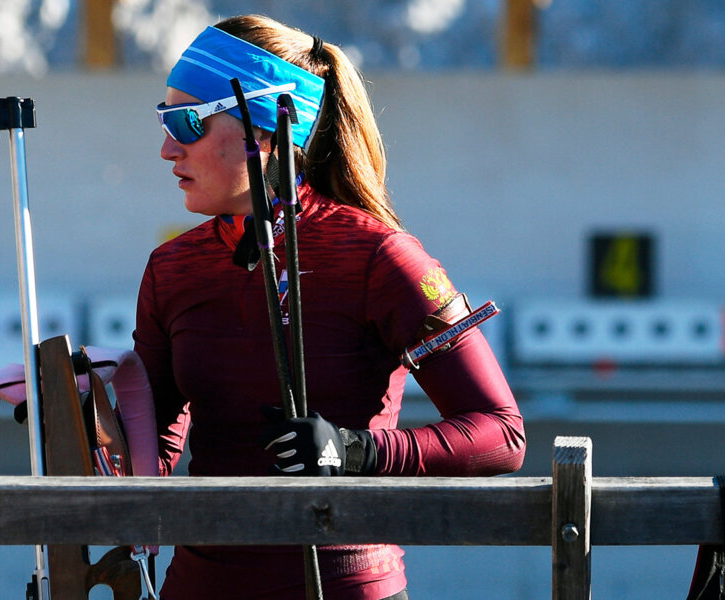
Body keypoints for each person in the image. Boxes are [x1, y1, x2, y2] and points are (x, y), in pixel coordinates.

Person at [132, 14, 526, 600]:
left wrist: (355, 451)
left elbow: (501, 434)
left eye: (186, 121)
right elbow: (152, 454)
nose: (166, 148)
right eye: (164, 121)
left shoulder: (381, 256)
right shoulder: (172, 268)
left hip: (344, 586)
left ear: (264, 130)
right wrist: (86, 417)